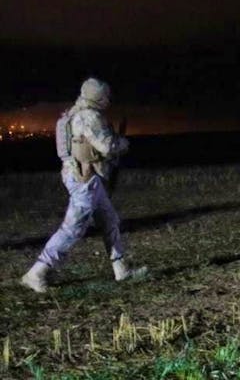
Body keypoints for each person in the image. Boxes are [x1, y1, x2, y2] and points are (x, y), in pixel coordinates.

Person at [20, 78, 146, 293]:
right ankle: (37, 272)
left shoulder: (70, 115)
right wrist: (123, 143)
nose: (108, 100)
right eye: (105, 96)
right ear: (98, 97)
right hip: (86, 179)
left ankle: (121, 269)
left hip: (78, 175)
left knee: (109, 221)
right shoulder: (90, 116)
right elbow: (107, 147)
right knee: (73, 228)